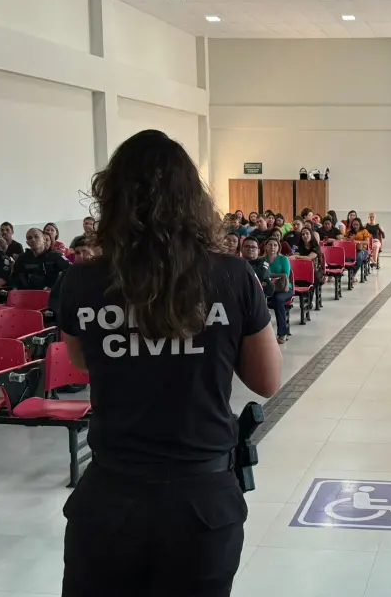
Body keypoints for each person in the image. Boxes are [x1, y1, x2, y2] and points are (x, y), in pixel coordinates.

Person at [56, 130, 282, 597]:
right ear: (192, 199)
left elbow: (81, 361)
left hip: (111, 494)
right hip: (200, 500)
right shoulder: (232, 276)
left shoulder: (82, 281)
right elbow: (267, 380)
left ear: (113, 199)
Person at [262, 237, 293, 344]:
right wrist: (274, 276)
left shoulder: (283, 259)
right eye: (270, 245)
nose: (272, 247)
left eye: (275, 245)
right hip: (268, 289)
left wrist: (269, 276)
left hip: (284, 288)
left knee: (278, 299)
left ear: (278, 247)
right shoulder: (262, 260)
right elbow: (260, 275)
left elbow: (285, 276)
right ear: (265, 247)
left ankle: (282, 333)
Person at [345, 218, 371, 284]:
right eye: (354, 224)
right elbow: (344, 239)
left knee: (358, 257)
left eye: (357, 225)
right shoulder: (349, 231)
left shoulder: (364, 231)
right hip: (351, 249)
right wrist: (348, 239)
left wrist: (357, 242)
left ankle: (352, 274)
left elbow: (367, 242)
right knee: (346, 258)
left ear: (360, 225)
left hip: (362, 249)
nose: (355, 226)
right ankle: (351, 273)